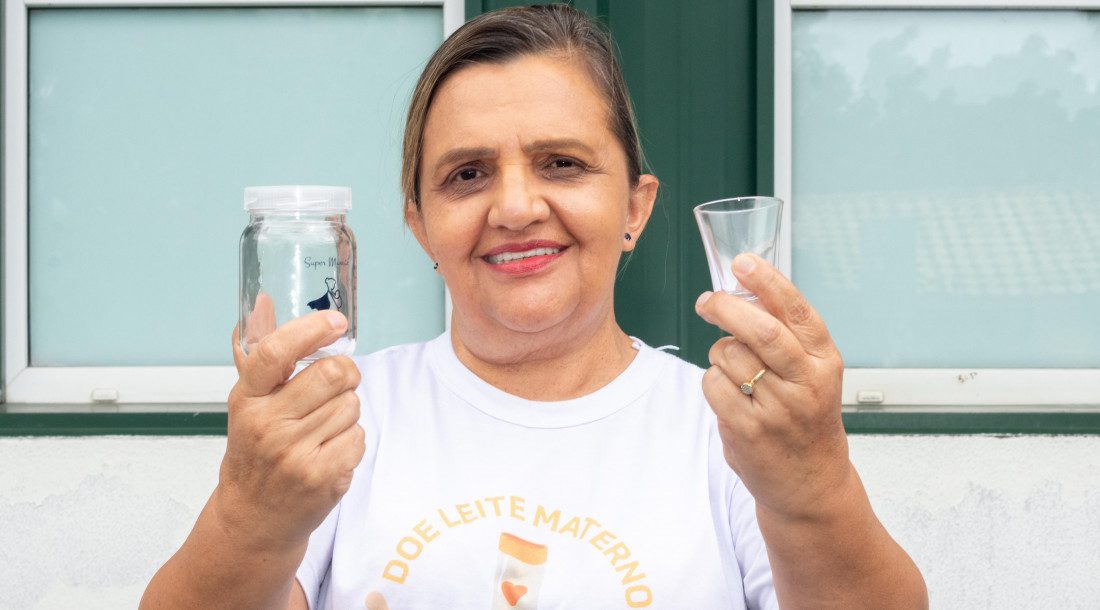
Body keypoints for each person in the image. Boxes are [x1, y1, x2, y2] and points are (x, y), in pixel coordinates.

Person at [141, 5, 927, 609]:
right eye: (467, 175)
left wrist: (816, 483)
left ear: (635, 207)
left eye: (562, 163)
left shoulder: (730, 427)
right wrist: (248, 515)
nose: (516, 206)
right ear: (419, 225)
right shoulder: (338, 418)